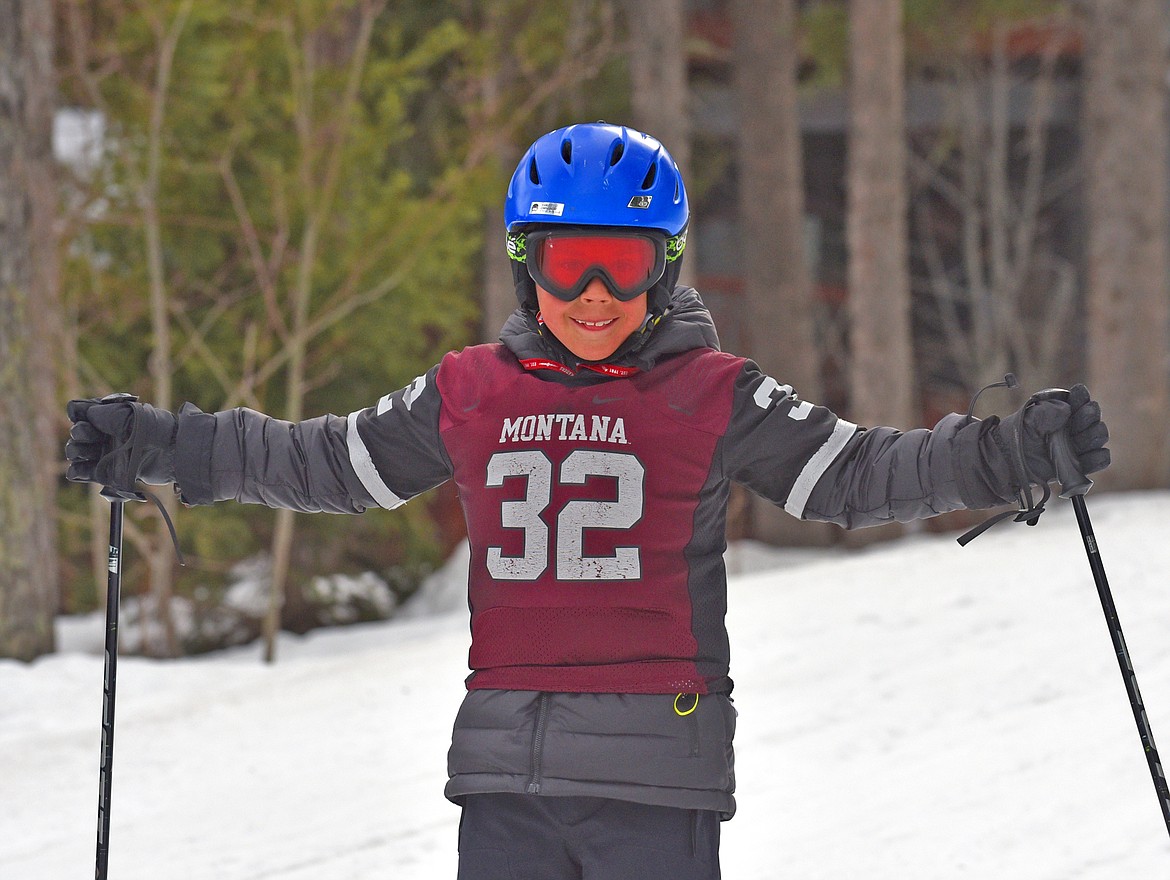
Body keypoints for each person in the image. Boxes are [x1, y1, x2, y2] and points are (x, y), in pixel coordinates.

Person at [66, 122, 1110, 879]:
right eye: (570, 264)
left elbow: (855, 472)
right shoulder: (469, 390)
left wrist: (1008, 452)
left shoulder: (713, 393)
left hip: (654, 773)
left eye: (624, 262)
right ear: (529, 266)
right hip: (504, 774)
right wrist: (165, 443)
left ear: (667, 269)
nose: (595, 295)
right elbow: (325, 461)